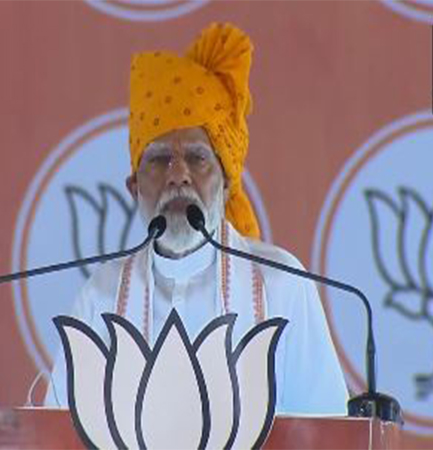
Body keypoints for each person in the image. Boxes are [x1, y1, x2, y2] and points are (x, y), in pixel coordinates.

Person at [44, 22, 348, 415]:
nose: (177, 174)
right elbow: (57, 433)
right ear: (134, 187)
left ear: (226, 184)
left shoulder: (280, 283)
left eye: (197, 157)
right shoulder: (100, 296)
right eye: (158, 159)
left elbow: (326, 431)